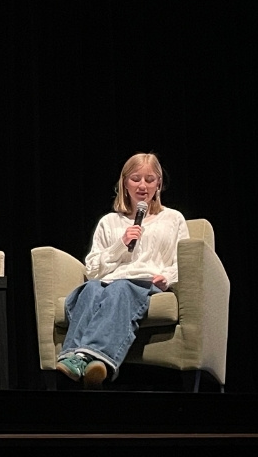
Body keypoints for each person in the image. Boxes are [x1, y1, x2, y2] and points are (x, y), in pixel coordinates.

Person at [56, 152, 189, 389]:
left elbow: (186, 261)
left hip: (146, 284)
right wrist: (120, 244)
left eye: (150, 179)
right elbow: (93, 270)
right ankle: (80, 359)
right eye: (136, 178)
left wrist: (167, 277)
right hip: (109, 281)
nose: (142, 185)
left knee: (120, 288)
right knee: (89, 289)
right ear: (124, 182)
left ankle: (92, 357)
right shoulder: (109, 222)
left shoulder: (173, 219)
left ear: (158, 183)